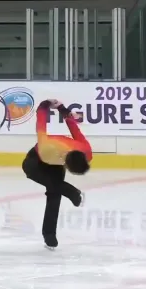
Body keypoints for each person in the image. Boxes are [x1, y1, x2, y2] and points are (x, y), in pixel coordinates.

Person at [22, 99, 92, 250]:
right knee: (47, 181)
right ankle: (73, 192)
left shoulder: (86, 151)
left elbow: (74, 128)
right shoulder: (47, 149)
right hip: (37, 160)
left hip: (56, 162)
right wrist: (44, 106)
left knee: (55, 193)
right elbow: (41, 126)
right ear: (66, 163)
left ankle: (49, 234)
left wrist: (63, 109)